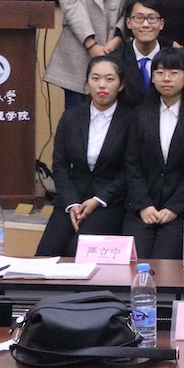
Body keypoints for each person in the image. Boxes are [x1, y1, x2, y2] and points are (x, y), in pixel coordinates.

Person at [36, 55, 134, 256]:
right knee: (47, 253)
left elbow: (130, 169)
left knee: (78, 251)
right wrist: (71, 203)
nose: (102, 85)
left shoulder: (131, 120)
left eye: (109, 79)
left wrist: (99, 199)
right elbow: (60, 166)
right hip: (72, 198)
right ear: (87, 83)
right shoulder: (71, 117)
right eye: (95, 78)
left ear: (121, 85)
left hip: (109, 202)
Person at [123, 48, 184, 260]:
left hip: (182, 211)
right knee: (135, 261)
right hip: (143, 208)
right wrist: (144, 205)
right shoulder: (139, 115)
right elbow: (132, 164)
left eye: (174, 72)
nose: (166, 78)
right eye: (159, 73)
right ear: (152, 78)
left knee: (165, 262)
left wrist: (175, 207)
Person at [116, 0, 165, 105]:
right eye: (139, 18)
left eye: (152, 18)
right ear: (128, 22)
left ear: (161, 24)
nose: (145, 24)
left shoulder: (175, 60)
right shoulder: (115, 60)